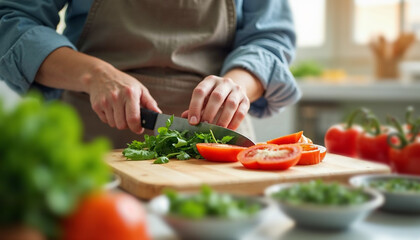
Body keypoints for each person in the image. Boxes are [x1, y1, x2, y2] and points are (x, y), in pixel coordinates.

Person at [0, 0, 301, 148]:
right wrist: (94, 74)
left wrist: (236, 86)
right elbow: (12, 21)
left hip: (219, 146)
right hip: (89, 144)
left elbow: (270, 39)